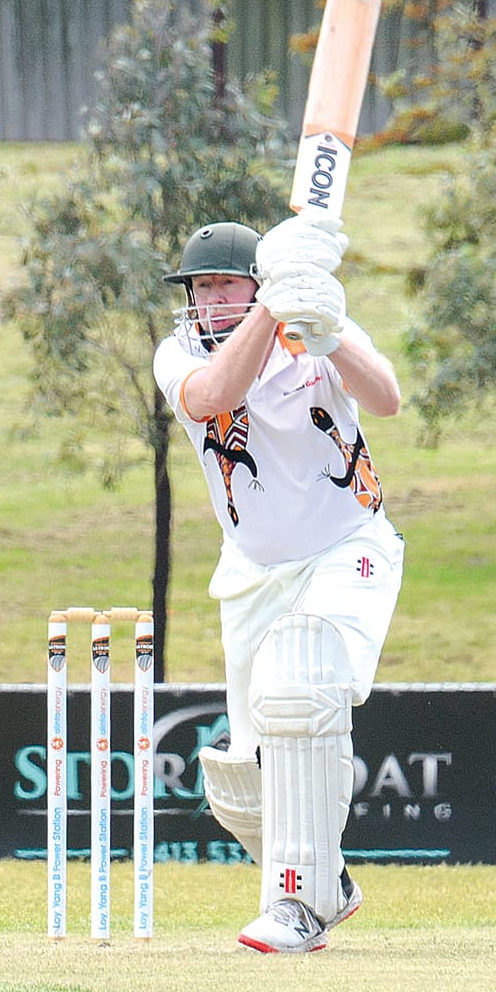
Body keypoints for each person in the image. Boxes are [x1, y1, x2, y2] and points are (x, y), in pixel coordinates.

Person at [153, 215, 405, 953]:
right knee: (239, 779)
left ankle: (299, 908)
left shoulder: (315, 323)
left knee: (300, 690)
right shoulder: (178, 352)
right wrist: (271, 306)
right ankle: (329, 879)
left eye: (226, 282)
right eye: (201, 287)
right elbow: (210, 398)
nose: (210, 298)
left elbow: (386, 398)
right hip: (252, 567)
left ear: (254, 281)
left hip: (346, 545)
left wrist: (326, 331)